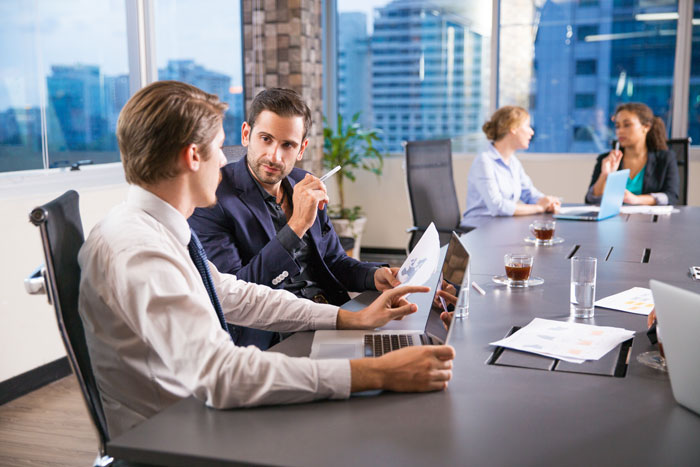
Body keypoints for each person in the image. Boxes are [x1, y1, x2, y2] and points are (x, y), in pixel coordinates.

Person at [77, 81, 455, 438]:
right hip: (179, 433)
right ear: (194, 156)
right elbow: (221, 375)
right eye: (221, 147)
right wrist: (374, 373)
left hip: (197, 412)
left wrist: (348, 318)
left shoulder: (156, 229)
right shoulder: (140, 250)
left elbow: (232, 294)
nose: (225, 162)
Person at [189, 88, 399, 350]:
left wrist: (375, 276)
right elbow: (237, 294)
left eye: (287, 145)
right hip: (274, 336)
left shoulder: (304, 184)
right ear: (246, 134)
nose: (274, 156)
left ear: (301, 148)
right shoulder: (212, 198)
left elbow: (334, 261)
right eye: (266, 139)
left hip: (333, 315)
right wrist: (296, 226)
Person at [460, 106, 560, 228]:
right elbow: (497, 207)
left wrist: (547, 202)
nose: (531, 132)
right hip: (479, 230)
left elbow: (529, 193)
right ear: (513, 128)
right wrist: (538, 207)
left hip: (502, 226)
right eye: (527, 126)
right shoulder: (484, 161)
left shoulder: (513, 162)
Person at [585, 102, 679, 205]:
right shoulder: (607, 159)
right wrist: (605, 175)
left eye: (627, 125)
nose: (620, 131)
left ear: (646, 127)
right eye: (617, 126)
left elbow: (671, 197)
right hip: (615, 219)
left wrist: (637, 200)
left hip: (648, 220)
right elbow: (591, 199)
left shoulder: (665, 158)